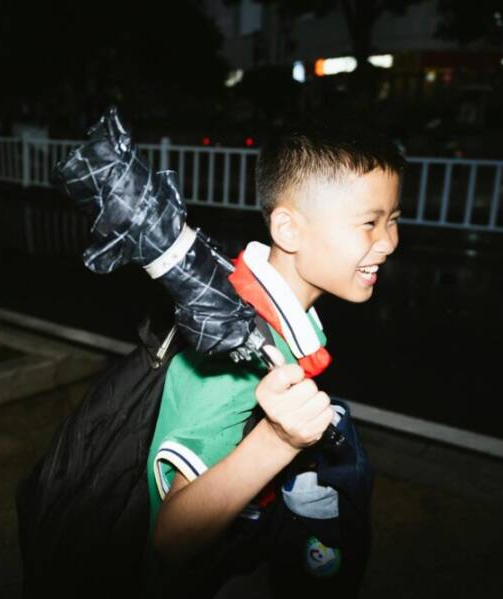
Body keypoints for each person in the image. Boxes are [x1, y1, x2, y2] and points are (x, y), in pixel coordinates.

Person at [143, 121, 405, 597]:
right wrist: (280, 440)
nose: (388, 242)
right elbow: (172, 537)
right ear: (288, 228)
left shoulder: (281, 307)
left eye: (393, 219)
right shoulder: (231, 350)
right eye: (370, 222)